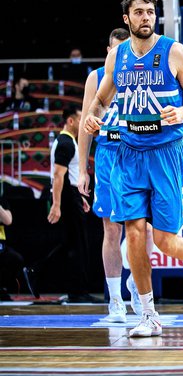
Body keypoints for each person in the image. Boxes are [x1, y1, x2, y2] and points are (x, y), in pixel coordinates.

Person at [83, 0, 183, 337]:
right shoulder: (117, 58)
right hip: (129, 153)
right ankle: (148, 314)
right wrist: (92, 117)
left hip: (166, 152)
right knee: (133, 232)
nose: (146, 17)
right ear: (126, 20)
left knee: (165, 238)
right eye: (139, 12)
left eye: (150, 12)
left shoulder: (174, 51)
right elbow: (100, 99)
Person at [78, 28, 154, 323]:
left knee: (146, 227)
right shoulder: (97, 78)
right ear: (108, 50)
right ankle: (114, 300)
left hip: (138, 150)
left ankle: (137, 283)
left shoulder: (142, 72)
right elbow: (86, 122)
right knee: (112, 230)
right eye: (116, 50)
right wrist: (82, 167)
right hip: (108, 153)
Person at [47, 106, 101, 303]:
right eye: (79, 119)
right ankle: (77, 292)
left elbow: (68, 175)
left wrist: (81, 198)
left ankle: (77, 290)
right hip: (67, 196)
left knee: (75, 244)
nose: (82, 123)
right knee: (77, 245)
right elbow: (58, 176)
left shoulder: (68, 142)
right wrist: (56, 204)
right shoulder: (65, 143)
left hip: (72, 195)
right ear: (70, 121)